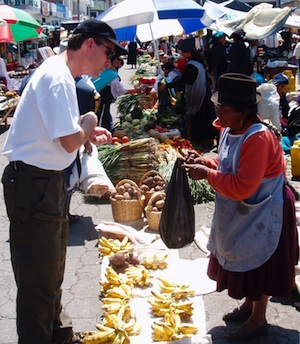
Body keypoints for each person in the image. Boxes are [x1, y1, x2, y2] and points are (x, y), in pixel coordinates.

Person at [0, 18, 130, 344]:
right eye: (108, 51)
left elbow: (63, 135)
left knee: (51, 271)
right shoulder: (58, 78)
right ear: (89, 44)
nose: (109, 61)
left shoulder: (64, 75)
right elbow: (70, 140)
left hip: (46, 182)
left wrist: (84, 135)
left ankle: (58, 335)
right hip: (34, 184)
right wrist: (87, 122)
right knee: (38, 281)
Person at [182, 73, 299, 341]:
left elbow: (243, 185)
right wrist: (205, 162)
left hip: (265, 210)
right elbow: (227, 164)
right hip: (244, 210)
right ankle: (248, 305)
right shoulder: (229, 129)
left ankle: (259, 318)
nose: (218, 112)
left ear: (243, 112)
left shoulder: (258, 138)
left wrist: (207, 174)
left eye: (224, 108)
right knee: (246, 261)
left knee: (261, 265)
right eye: (218, 106)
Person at [159, 37, 217, 147]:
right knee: (204, 115)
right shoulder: (196, 61)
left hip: (198, 93)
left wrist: (167, 85)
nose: (180, 53)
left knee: (200, 116)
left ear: (188, 52)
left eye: (182, 51)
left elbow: (184, 80)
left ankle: (202, 140)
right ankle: (206, 139)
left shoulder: (192, 65)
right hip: (202, 91)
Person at [94, 55, 143, 133]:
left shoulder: (105, 71)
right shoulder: (112, 74)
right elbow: (120, 90)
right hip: (102, 97)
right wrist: (135, 91)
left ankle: (107, 129)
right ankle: (103, 131)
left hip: (98, 96)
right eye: (117, 61)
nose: (118, 63)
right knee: (102, 114)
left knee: (104, 113)